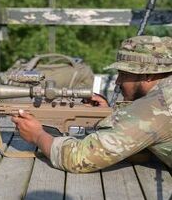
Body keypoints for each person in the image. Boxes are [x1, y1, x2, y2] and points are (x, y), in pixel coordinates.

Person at [11, 35, 172, 173]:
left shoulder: (157, 104)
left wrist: (37, 136)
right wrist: (111, 116)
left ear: (149, 75)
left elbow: (78, 158)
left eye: (123, 74)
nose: (117, 81)